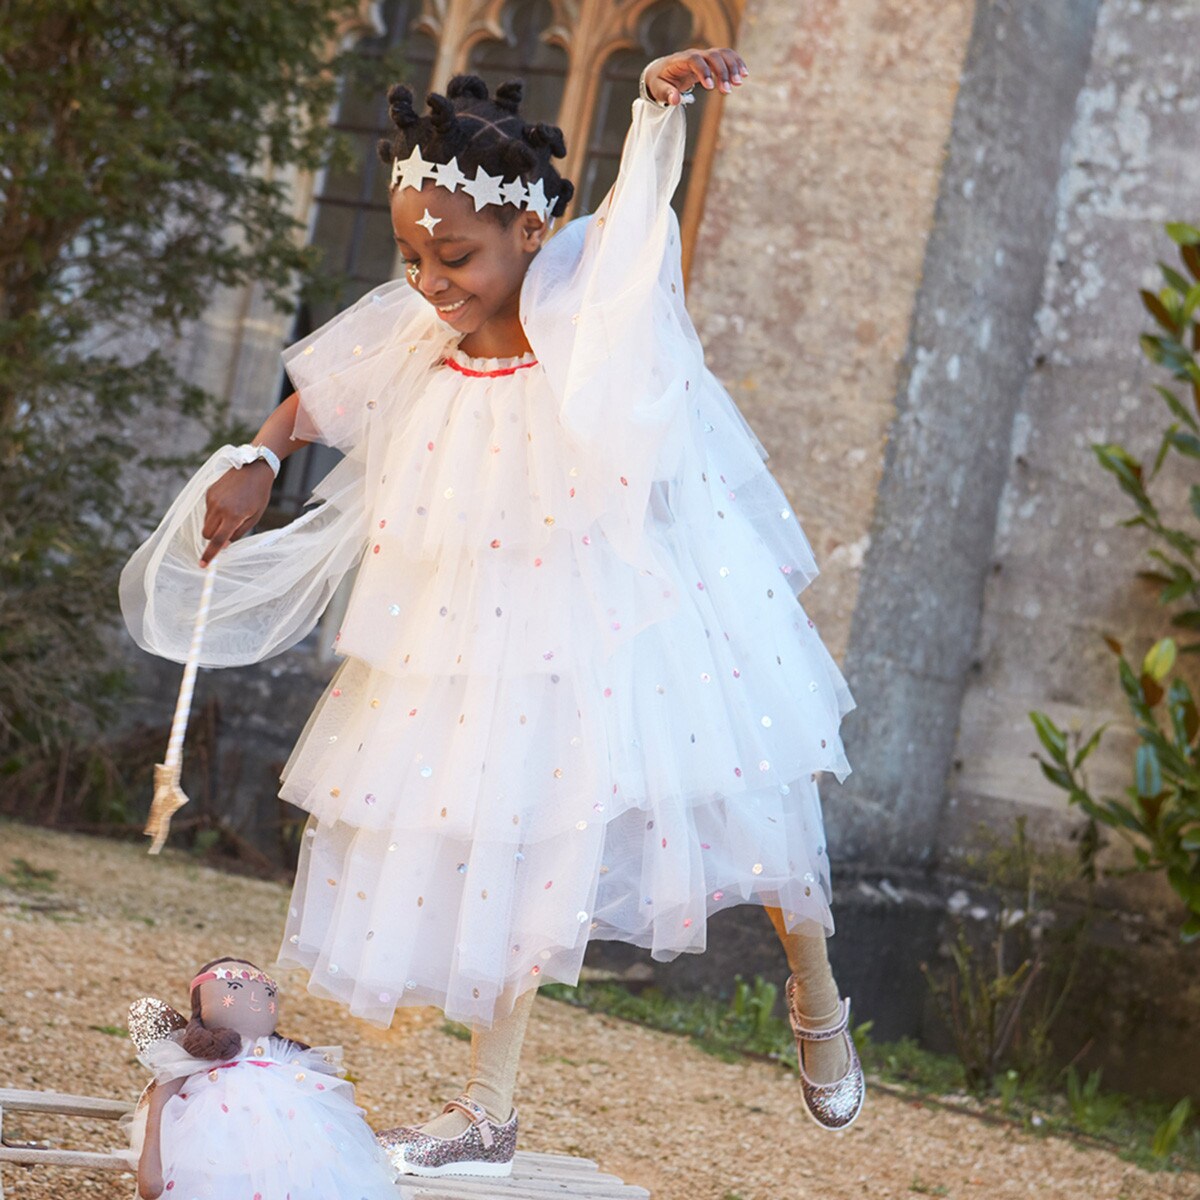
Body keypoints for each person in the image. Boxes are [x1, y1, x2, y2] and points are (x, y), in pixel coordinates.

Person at [121, 46, 864, 1179]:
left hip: (626, 608)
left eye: (455, 255)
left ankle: (817, 996)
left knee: (752, 802)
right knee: (502, 831)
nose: (429, 279)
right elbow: (320, 397)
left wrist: (655, 111)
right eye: (414, 253)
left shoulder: (585, 302)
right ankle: (490, 1110)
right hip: (481, 625)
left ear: (530, 235)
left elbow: (634, 220)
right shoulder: (422, 326)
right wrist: (257, 460)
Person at [127, 957, 396, 1199]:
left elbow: (333, 1090)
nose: (256, 1000)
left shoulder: (288, 1058)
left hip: (295, 1146)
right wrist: (151, 1167)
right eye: (234, 989)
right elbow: (161, 1100)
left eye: (267, 994)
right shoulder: (198, 1059)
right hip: (212, 1144)